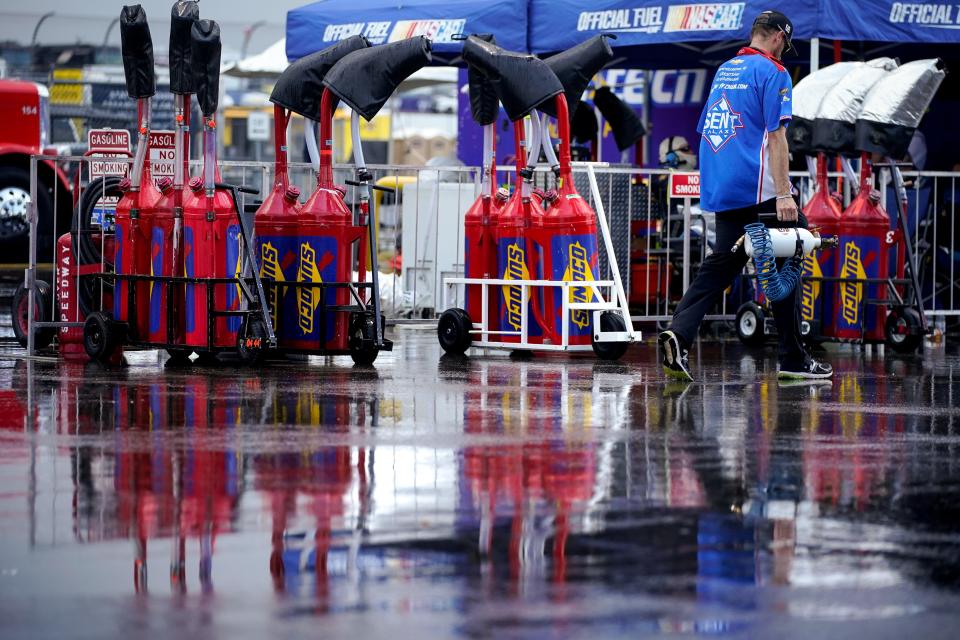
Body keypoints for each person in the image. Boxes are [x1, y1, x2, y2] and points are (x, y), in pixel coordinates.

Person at [658, 10, 833, 381]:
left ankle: (679, 333)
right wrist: (785, 194)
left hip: (723, 188)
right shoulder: (774, 72)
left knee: (721, 265)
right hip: (761, 191)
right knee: (791, 256)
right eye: (785, 44)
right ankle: (792, 358)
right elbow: (776, 136)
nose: (784, 51)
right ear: (778, 38)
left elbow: (708, 127)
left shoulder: (725, 70)